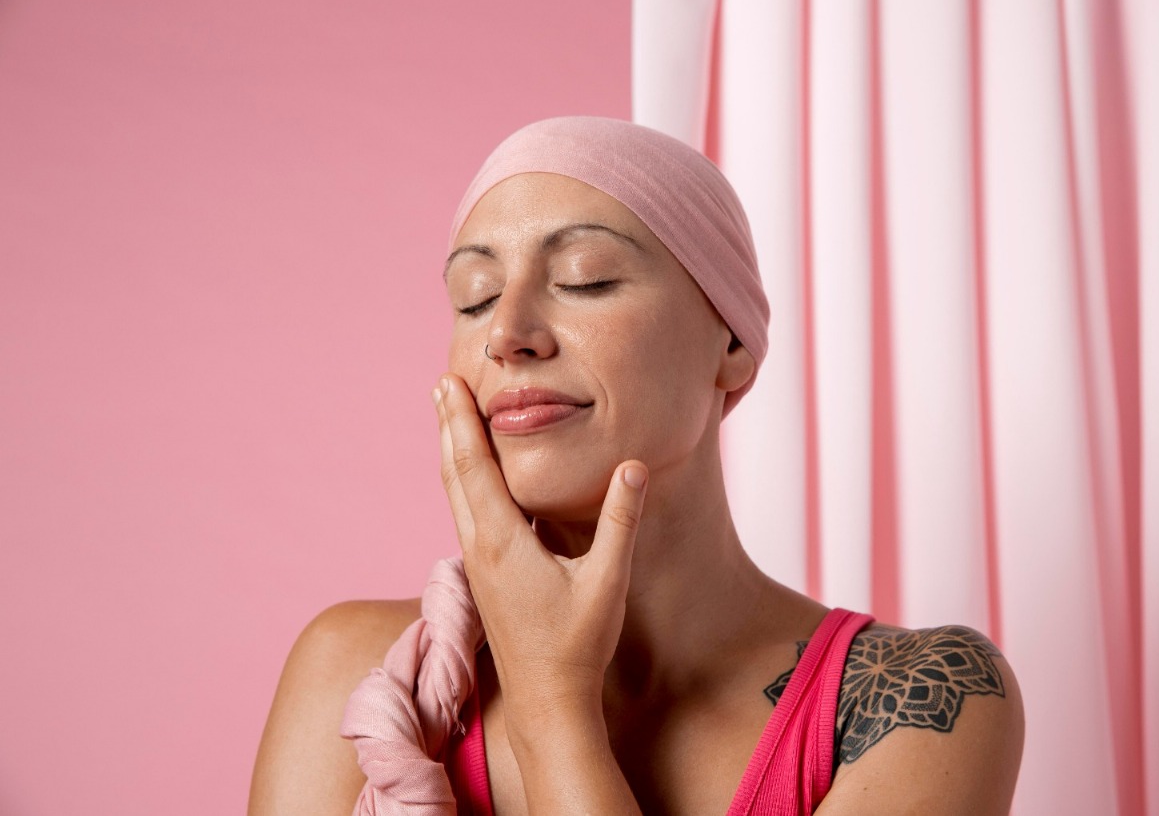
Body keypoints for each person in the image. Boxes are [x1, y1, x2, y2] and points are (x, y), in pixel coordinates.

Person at [248, 116, 1024, 815]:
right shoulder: (354, 671)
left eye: (585, 278)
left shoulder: (925, 698)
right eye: (475, 297)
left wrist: (551, 702)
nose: (507, 333)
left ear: (730, 341)